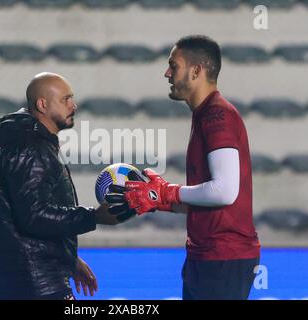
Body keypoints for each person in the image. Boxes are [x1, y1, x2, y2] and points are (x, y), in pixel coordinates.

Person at [107, 36, 261, 300]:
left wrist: (168, 193)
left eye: (173, 65)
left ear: (196, 71)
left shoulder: (217, 115)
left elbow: (224, 191)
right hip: (209, 257)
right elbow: (208, 199)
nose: (167, 73)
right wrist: (157, 200)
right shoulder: (206, 114)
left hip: (222, 258)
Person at [0, 72, 132, 300]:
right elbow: (34, 216)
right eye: (66, 99)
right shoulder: (32, 148)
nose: (74, 105)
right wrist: (95, 217)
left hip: (23, 275)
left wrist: (67, 257)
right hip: (32, 281)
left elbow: (29, 214)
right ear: (42, 104)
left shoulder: (29, 141)